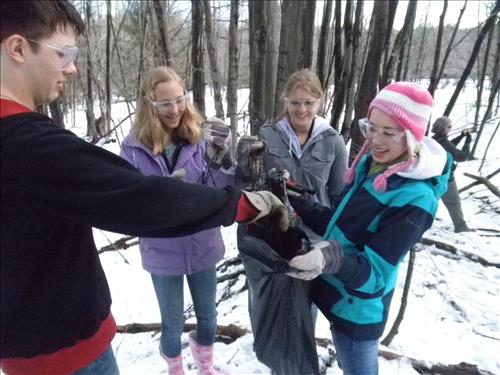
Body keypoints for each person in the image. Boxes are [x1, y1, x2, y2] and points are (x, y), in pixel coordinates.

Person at [0, 2, 287, 374]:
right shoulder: (31, 145)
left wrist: (232, 173)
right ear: (19, 48)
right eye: (64, 53)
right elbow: (140, 199)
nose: (72, 67)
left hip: (30, 343)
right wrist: (241, 206)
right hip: (65, 352)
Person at [285, 82, 451, 375]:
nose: (375, 139)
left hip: (359, 310)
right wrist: (300, 201)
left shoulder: (415, 198)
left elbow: (375, 274)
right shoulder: (370, 167)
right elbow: (339, 226)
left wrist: (328, 258)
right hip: (334, 293)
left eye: (388, 132)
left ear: (413, 136)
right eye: (371, 128)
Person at [119, 66, 234, 375]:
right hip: (162, 251)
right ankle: (174, 368)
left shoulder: (201, 137)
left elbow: (221, 189)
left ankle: (205, 364)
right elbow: (130, 203)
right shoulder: (133, 148)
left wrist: (226, 159)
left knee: (208, 317)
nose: (175, 110)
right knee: (173, 324)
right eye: (165, 103)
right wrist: (165, 195)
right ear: (149, 104)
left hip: (203, 246)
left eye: (180, 100)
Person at [239, 69, 348, 237]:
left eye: (308, 103)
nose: (301, 109)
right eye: (295, 103)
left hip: (316, 237)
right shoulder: (268, 135)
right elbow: (252, 188)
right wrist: (245, 166)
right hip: (274, 234)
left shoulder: (334, 141)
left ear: (319, 103)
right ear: (286, 102)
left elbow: (339, 197)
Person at [431, 116, 473, 232]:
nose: (451, 128)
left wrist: (460, 137)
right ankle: (461, 227)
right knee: (454, 202)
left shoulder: (434, 139)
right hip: (446, 179)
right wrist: (467, 142)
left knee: (430, 201)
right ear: (443, 129)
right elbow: (462, 157)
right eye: (449, 126)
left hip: (433, 178)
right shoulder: (444, 142)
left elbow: (450, 145)